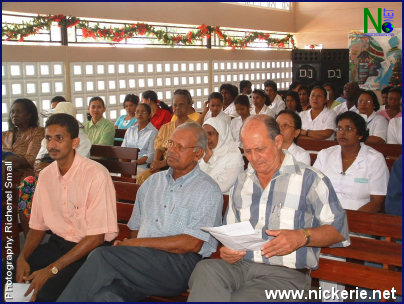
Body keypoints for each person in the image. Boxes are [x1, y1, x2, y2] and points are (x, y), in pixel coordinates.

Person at [187, 114, 350, 302]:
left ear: (278, 141)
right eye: (247, 151)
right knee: (206, 270)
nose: (254, 158)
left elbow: (338, 231)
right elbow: (230, 233)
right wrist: (227, 251)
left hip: (286, 276)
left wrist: (301, 236)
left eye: (260, 149)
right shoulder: (242, 182)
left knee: (239, 299)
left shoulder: (310, 180)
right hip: (241, 267)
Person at [57, 122, 223, 302]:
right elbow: (135, 229)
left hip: (178, 265)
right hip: (141, 261)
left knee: (101, 256)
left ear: (197, 153)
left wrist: (135, 245)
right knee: (105, 294)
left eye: (180, 146)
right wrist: (134, 247)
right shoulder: (152, 183)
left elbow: (191, 243)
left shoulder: (207, 190)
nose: (172, 150)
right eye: (171, 143)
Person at [14, 113, 118, 302]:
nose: (52, 145)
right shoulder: (46, 176)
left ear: (75, 142)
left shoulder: (96, 175)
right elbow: (37, 226)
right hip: (57, 244)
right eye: (48, 138)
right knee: (9, 270)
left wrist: (51, 269)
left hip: (90, 252)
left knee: (44, 292)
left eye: (59, 138)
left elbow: (96, 237)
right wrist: (22, 257)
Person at [18, 102, 92, 234]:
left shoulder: (82, 139)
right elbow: (38, 161)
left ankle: (51, 230)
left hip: (72, 181)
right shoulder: (47, 138)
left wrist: (50, 165)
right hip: (47, 176)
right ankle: (31, 232)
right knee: (27, 184)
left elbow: (75, 166)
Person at [313, 111, 389, 212]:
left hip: (359, 217)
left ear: (360, 134)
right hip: (324, 214)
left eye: (348, 129)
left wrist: (350, 220)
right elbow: (312, 188)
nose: (342, 132)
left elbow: (377, 202)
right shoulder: (325, 154)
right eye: (339, 128)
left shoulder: (375, 159)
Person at [136, 90, 194, 184]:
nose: (177, 108)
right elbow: (159, 148)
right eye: (175, 105)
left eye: (181, 105)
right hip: (163, 166)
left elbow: (185, 153)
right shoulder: (166, 127)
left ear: (188, 105)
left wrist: (161, 164)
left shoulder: (193, 127)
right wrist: (155, 163)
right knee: (142, 177)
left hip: (183, 167)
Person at [2, 98, 45, 179]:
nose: (14, 115)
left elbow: (31, 159)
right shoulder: (4, 135)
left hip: (26, 181)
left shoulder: (38, 132)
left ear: (29, 115)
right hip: (6, 179)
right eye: (12, 112)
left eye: (19, 111)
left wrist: (6, 163)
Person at [200, 117, 244, 193]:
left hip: (225, 202)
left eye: (210, 134)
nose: (206, 138)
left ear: (222, 134)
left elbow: (220, 187)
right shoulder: (206, 153)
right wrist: (206, 158)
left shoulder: (234, 157)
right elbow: (194, 176)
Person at [121, 103, 158, 173]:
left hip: (143, 166)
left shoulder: (153, 132)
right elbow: (123, 150)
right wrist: (124, 165)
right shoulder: (130, 130)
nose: (140, 114)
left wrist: (134, 164)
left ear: (149, 115)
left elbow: (150, 156)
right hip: (128, 164)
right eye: (137, 112)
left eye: (143, 112)